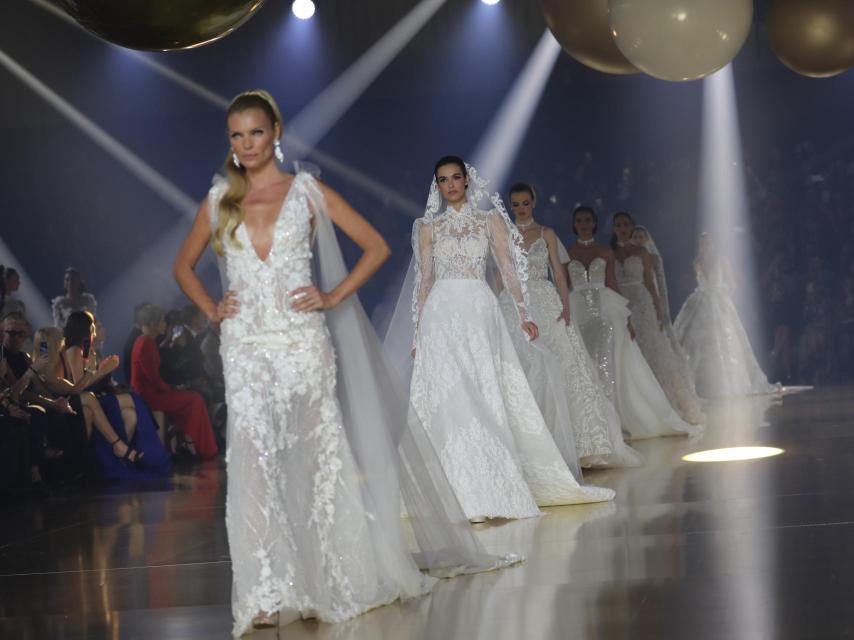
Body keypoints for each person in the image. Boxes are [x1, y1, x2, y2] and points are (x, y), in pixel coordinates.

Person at [173, 91, 517, 636]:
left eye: (255, 133)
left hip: (304, 344)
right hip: (246, 351)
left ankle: (326, 581)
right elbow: (183, 266)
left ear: (276, 132)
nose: (246, 144)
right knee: (254, 469)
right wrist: (214, 309)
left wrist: (332, 298)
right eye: (236, 136)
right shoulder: (220, 200)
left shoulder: (305, 192)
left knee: (316, 460)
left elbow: (376, 246)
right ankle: (264, 592)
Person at [387, 157, 614, 524]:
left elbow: (508, 269)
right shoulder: (428, 227)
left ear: (466, 180)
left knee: (484, 389)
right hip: (441, 314)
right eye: (443, 180)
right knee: (448, 392)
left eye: (455, 178)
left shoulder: (489, 220)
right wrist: (418, 332)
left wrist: (524, 313)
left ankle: (491, 479)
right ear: (437, 185)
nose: (450, 185)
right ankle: (449, 486)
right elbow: (424, 281)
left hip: (479, 309)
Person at [498, 183, 641, 469]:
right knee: (521, 369)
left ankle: (578, 444)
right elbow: (503, 273)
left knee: (563, 367)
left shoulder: (546, 233)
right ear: (510, 206)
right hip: (515, 304)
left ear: (533, 202)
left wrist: (565, 306)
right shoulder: (505, 234)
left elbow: (560, 274)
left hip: (546, 301)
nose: (521, 208)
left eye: (525, 202)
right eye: (516, 204)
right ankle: (531, 448)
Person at [565, 206, 697, 440]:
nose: (583, 224)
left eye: (587, 220)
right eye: (579, 220)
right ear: (574, 224)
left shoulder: (605, 251)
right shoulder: (568, 252)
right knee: (584, 362)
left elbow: (613, 284)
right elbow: (564, 286)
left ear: (594, 223)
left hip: (607, 309)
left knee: (609, 361)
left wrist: (628, 318)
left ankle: (613, 417)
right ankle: (591, 418)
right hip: (578, 312)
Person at [611, 213, 704, 425]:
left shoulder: (643, 252)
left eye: (626, 224)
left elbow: (651, 284)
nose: (622, 228)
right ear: (614, 228)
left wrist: (659, 311)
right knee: (628, 354)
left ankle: (664, 404)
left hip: (643, 305)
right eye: (618, 225)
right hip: (621, 304)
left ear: (632, 227)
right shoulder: (611, 253)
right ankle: (636, 407)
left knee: (652, 352)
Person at [63, 311, 171, 479]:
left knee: (131, 413)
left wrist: (103, 372)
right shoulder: (74, 350)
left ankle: (119, 459)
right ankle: (137, 450)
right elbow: (79, 386)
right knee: (132, 399)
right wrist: (102, 370)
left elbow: (94, 376)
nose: (95, 329)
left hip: (99, 399)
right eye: (93, 325)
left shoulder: (87, 350)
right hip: (83, 401)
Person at [674, 233, 778, 398]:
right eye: (702, 244)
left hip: (719, 300)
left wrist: (725, 297)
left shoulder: (722, 260)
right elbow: (699, 282)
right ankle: (700, 384)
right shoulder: (697, 262)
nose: (705, 247)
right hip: (701, 301)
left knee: (725, 338)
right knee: (695, 339)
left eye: (707, 243)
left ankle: (726, 382)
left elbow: (732, 282)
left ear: (713, 245)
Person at [130, 304, 218, 460]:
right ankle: (193, 444)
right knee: (194, 399)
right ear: (153, 323)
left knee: (193, 397)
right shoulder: (146, 343)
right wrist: (173, 389)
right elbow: (154, 379)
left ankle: (191, 443)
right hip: (149, 396)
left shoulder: (145, 341)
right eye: (162, 321)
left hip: (151, 393)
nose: (165, 324)